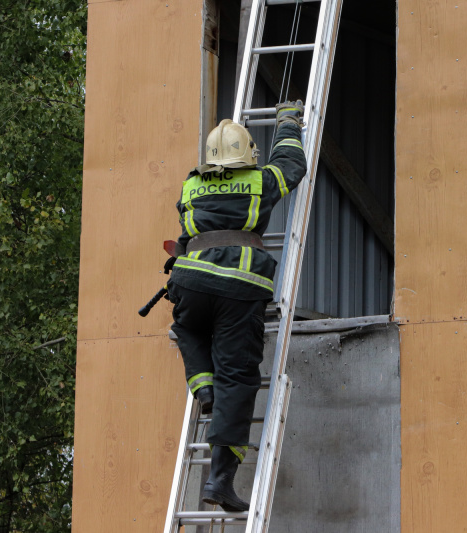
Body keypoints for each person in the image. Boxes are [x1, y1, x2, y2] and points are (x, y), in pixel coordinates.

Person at [166, 101, 306, 512]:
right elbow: (290, 164)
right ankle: (220, 479)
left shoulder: (190, 185)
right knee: (238, 378)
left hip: (189, 282)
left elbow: (187, 228)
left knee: (188, 330)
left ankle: (203, 387)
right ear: (247, 154)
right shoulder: (260, 182)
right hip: (238, 288)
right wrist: (287, 122)